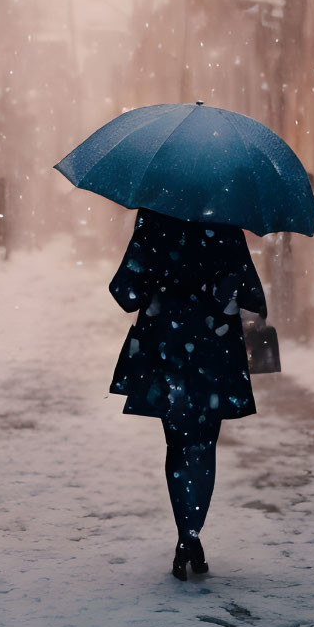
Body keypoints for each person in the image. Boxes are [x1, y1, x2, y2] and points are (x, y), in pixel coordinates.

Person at [107, 208, 266, 580]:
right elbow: (250, 292)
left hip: (167, 344)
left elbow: (125, 293)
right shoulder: (226, 221)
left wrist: (160, 281)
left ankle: (184, 535)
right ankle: (193, 532)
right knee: (204, 444)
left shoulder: (154, 218)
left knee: (177, 443)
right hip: (215, 346)